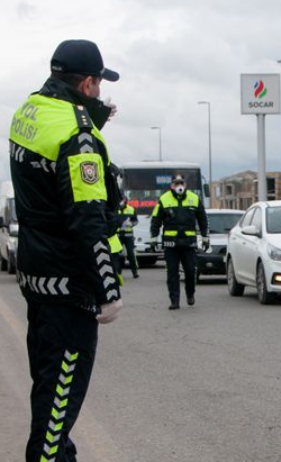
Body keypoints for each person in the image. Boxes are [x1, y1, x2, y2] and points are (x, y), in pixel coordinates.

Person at [9, 39, 122, 462]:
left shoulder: (29, 110)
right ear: (89, 82)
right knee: (56, 419)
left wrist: (89, 120)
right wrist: (107, 288)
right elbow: (86, 217)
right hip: (70, 288)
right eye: (96, 86)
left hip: (37, 275)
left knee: (48, 390)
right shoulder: (78, 136)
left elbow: (46, 176)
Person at [150, 174, 209, 310]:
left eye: (181, 183)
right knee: (172, 273)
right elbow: (155, 220)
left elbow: (203, 219)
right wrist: (153, 240)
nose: (179, 186)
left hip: (189, 244)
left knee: (190, 271)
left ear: (185, 184)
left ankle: (190, 294)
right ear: (171, 185)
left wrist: (205, 238)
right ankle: (174, 301)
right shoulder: (164, 200)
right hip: (171, 245)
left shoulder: (194, 199)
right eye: (176, 184)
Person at [117, 198, 139, 278]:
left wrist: (131, 223)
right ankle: (118, 272)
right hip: (118, 235)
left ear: (126, 201)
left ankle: (135, 272)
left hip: (128, 235)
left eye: (123, 200)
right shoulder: (115, 209)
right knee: (118, 255)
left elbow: (136, 221)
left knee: (131, 254)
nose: (121, 202)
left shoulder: (131, 209)